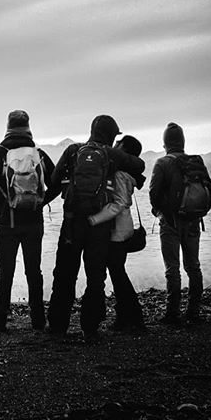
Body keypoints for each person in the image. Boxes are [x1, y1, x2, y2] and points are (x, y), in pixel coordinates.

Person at [44, 115, 145, 339]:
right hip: (99, 225)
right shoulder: (111, 154)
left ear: (92, 130)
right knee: (95, 275)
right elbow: (140, 165)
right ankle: (90, 325)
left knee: (65, 273)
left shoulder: (73, 150)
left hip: (71, 223)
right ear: (111, 135)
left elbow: (53, 180)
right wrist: (122, 157)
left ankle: (58, 324)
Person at [0, 110, 55, 333]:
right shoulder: (38, 154)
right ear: (28, 127)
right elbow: (57, 183)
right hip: (34, 222)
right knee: (34, 270)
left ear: (8, 127)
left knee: (6, 270)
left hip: (7, 222)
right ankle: (38, 320)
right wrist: (41, 201)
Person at [149, 122, 211, 326]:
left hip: (170, 222)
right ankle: (193, 311)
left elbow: (154, 193)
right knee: (193, 267)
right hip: (194, 220)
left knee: (172, 268)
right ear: (183, 142)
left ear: (165, 143)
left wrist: (159, 212)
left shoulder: (162, 163)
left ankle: (172, 313)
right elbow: (209, 189)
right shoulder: (196, 161)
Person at [87, 135, 146, 332]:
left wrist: (95, 219)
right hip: (122, 229)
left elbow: (119, 204)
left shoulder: (120, 175)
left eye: (118, 145)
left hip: (117, 232)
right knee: (117, 273)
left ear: (123, 149)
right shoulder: (126, 174)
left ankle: (135, 317)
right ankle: (125, 317)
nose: (114, 145)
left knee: (118, 274)